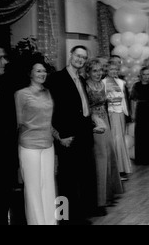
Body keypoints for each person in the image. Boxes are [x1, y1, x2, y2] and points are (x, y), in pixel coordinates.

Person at [46, 45, 97, 225]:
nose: (80, 60)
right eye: (77, 56)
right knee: (66, 180)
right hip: (67, 136)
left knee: (82, 178)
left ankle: (78, 217)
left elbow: (82, 108)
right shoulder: (56, 78)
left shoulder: (81, 79)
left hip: (83, 135)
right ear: (70, 55)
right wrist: (60, 135)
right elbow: (53, 109)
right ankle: (65, 218)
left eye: (83, 57)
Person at [14, 57, 57, 225]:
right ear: (30, 73)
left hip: (48, 144)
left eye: (44, 71)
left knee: (48, 187)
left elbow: (50, 121)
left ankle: (51, 222)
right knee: (33, 189)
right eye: (38, 70)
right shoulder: (21, 94)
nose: (42, 73)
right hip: (29, 145)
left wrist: (58, 137)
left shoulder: (48, 92)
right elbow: (18, 122)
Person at [85, 58, 123, 215]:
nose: (98, 73)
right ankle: (100, 200)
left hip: (105, 120)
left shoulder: (102, 84)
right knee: (100, 158)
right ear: (88, 72)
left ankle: (108, 194)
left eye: (100, 70)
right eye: (94, 70)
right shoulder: (85, 85)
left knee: (109, 155)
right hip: (95, 123)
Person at [0, 42, 18, 225]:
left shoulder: (5, 86)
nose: (5, 61)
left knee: (1, 207)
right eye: (0, 57)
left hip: (3, 163)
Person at [103, 59, 132, 179]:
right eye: (111, 69)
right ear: (107, 70)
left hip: (120, 113)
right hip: (111, 113)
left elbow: (125, 100)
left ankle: (122, 168)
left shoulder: (121, 83)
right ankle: (116, 170)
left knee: (120, 140)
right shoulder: (103, 83)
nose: (114, 71)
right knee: (115, 140)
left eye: (115, 69)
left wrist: (127, 114)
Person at [130, 67, 149, 165]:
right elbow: (133, 101)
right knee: (140, 134)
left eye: (148, 74)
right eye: (145, 74)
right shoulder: (136, 86)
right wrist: (133, 114)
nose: (146, 76)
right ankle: (141, 158)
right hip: (139, 111)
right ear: (141, 75)